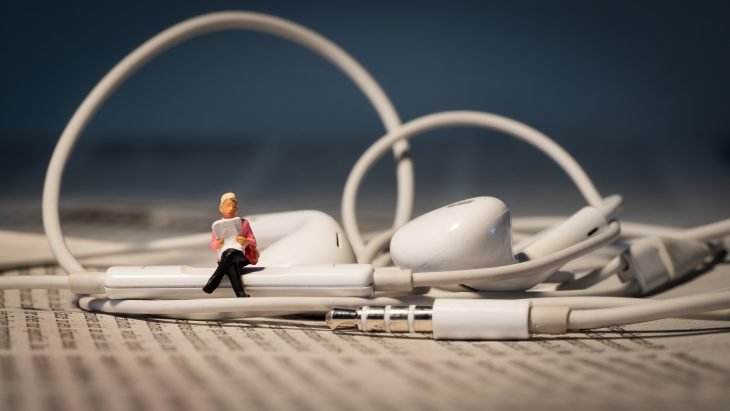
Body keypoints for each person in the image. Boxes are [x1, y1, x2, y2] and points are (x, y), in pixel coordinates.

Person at [202, 192, 259, 297]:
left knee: (230, 255)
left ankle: (213, 281)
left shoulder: (244, 223)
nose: (231, 208)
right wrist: (218, 244)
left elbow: (253, 241)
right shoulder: (218, 225)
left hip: (242, 256)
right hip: (225, 256)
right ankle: (240, 293)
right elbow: (213, 244)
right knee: (230, 260)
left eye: (234, 206)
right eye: (228, 206)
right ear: (221, 208)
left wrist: (246, 242)